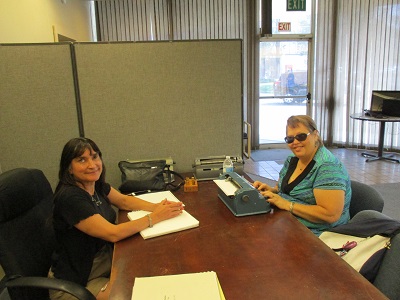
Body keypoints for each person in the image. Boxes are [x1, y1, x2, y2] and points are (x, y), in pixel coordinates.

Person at [48, 137, 183, 300]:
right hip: (78, 282)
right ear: (69, 168)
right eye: (82, 160)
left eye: (95, 156)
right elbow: (113, 233)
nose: (92, 165)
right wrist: (154, 217)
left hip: (102, 262)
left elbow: (124, 201)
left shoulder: (94, 185)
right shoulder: (70, 198)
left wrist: (158, 207)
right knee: (135, 293)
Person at [253, 115, 352, 236]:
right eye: (290, 139)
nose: (295, 142)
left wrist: (288, 205)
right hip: (289, 221)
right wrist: (272, 191)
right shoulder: (292, 160)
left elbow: (330, 214)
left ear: (315, 135)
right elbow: (283, 190)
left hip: (318, 234)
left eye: (301, 136)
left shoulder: (327, 167)